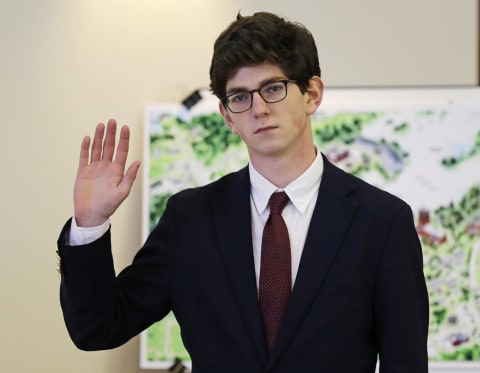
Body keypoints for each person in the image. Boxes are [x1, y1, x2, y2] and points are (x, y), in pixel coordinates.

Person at [57, 11, 429, 373]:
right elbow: (99, 328)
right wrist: (90, 223)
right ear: (226, 116)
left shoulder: (382, 222)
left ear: (312, 94)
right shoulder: (190, 219)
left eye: (273, 88)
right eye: (240, 96)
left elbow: (406, 363)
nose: (259, 109)